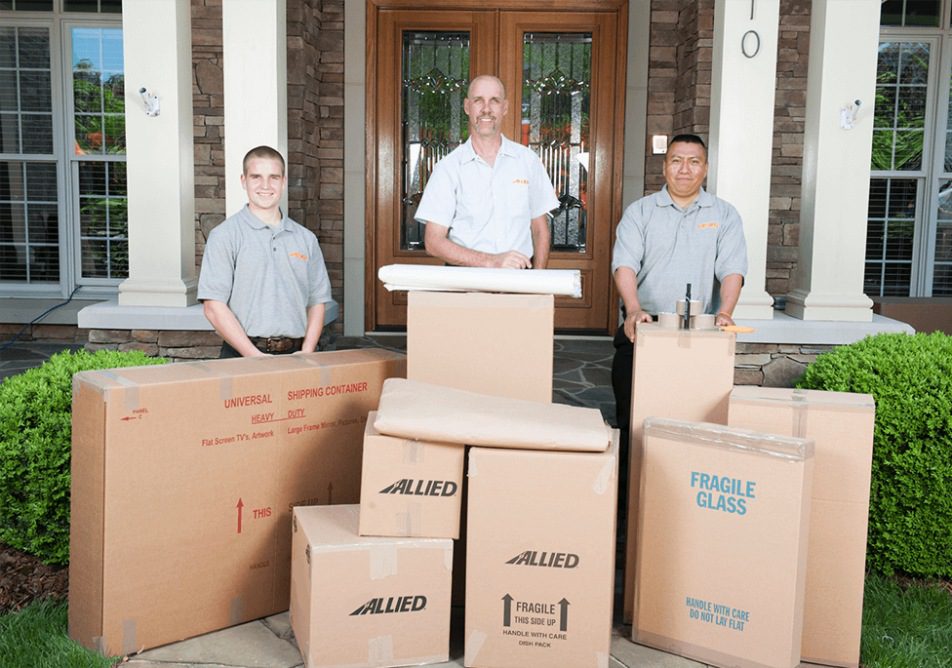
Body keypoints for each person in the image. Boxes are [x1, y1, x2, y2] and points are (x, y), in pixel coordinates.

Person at [611, 133, 748, 510]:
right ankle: (627, 507)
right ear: (664, 165)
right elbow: (624, 265)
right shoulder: (640, 212)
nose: (684, 169)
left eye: (693, 161)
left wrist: (725, 313)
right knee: (632, 420)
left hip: (699, 337)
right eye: (676, 160)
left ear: (705, 168)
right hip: (645, 331)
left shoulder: (724, 215)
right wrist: (634, 308)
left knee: (696, 422)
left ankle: (689, 505)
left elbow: (733, 270)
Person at [198, 145, 333, 358]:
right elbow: (213, 307)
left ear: (284, 181)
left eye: (274, 177)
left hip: (298, 356)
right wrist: (254, 355)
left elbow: (317, 302)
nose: (265, 186)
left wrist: (307, 352)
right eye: (256, 177)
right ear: (243, 181)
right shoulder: (225, 236)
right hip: (242, 356)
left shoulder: (306, 239)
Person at [415, 74, 559, 269]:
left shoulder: (528, 161)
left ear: (505, 108)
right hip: (465, 285)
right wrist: (492, 261)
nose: (486, 108)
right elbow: (433, 242)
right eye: (478, 100)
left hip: (519, 280)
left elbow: (540, 230)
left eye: (494, 101)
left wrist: (536, 283)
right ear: (467, 106)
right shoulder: (448, 168)